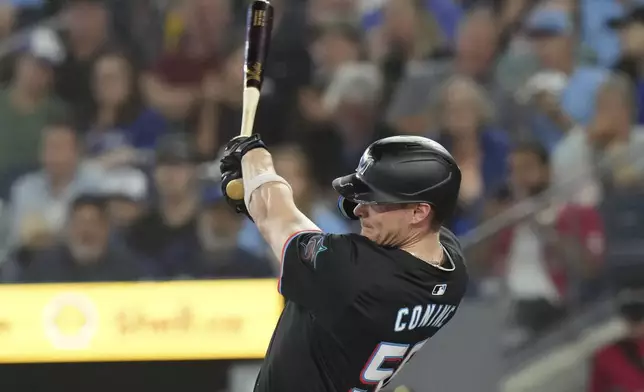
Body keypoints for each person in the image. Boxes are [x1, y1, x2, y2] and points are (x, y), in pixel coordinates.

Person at [219, 134, 469, 391]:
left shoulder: (359, 276)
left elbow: (275, 216)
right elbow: (315, 248)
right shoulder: (452, 272)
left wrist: (254, 156)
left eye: (377, 201)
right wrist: (254, 197)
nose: (360, 209)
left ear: (419, 212)